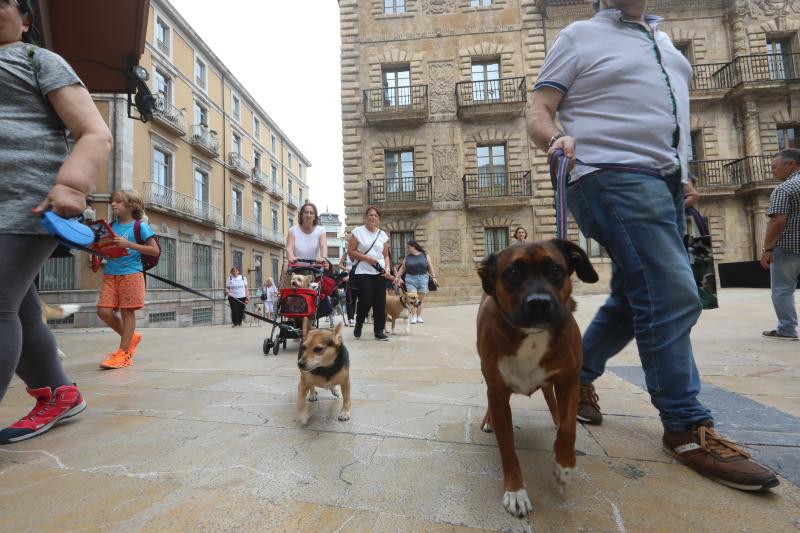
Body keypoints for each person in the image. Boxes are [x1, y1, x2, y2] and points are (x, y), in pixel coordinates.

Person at [529, 0, 778, 490]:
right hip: (608, 173)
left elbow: (672, 119)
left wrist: (682, 176)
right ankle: (686, 425)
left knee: (631, 296)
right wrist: (555, 138)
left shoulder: (664, 43)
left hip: (663, 182)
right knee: (671, 291)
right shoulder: (579, 36)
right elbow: (538, 109)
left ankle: (575, 377)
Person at [0, 0, 113, 443]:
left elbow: (95, 131)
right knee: (21, 311)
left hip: (28, 203)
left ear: (26, 21)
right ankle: (59, 394)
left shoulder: (37, 59)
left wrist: (72, 184)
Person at [96, 190, 159, 368]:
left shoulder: (140, 226)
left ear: (131, 205)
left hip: (131, 273)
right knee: (104, 311)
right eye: (112, 201)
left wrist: (129, 244)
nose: (113, 204)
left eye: (118, 201)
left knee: (127, 312)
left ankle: (124, 354)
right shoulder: (110, 227)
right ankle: (132, 337)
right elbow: (104, 249)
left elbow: (154, 250)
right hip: (110, 273)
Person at [760, 149, 800, 341]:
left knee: (782, 290)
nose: (772, 171)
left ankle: (787, 329)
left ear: (791, 164)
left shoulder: (784, 189)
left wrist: (768, 249)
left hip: (789, 248)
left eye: (775, 167)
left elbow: (777, 221)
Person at [348, 206, 393, 341]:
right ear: (365, 217)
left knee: (380, 302)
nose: (373, 217)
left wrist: (388, 269)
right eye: (371, 215)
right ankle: (359, 323)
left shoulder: (382, 235)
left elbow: (386, 255)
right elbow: (351, 251)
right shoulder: (358, 232)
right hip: (363, 271)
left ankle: (378, 331)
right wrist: (367, 258)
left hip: (379, 271)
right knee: (366, 299)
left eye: (376, 216)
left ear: (378, 219)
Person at [395, 240, 437, 324]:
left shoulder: (425, 254)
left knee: (420, 300)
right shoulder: (407, 257)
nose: (407, 249)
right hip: (410, 279)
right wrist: (397, 277)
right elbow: (403, 268)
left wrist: (434, 277)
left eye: (408, 247)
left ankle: (419, 316)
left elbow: (430, 266)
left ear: (414, 246)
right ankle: (414, 316)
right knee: (413, 298)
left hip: (423, 278)